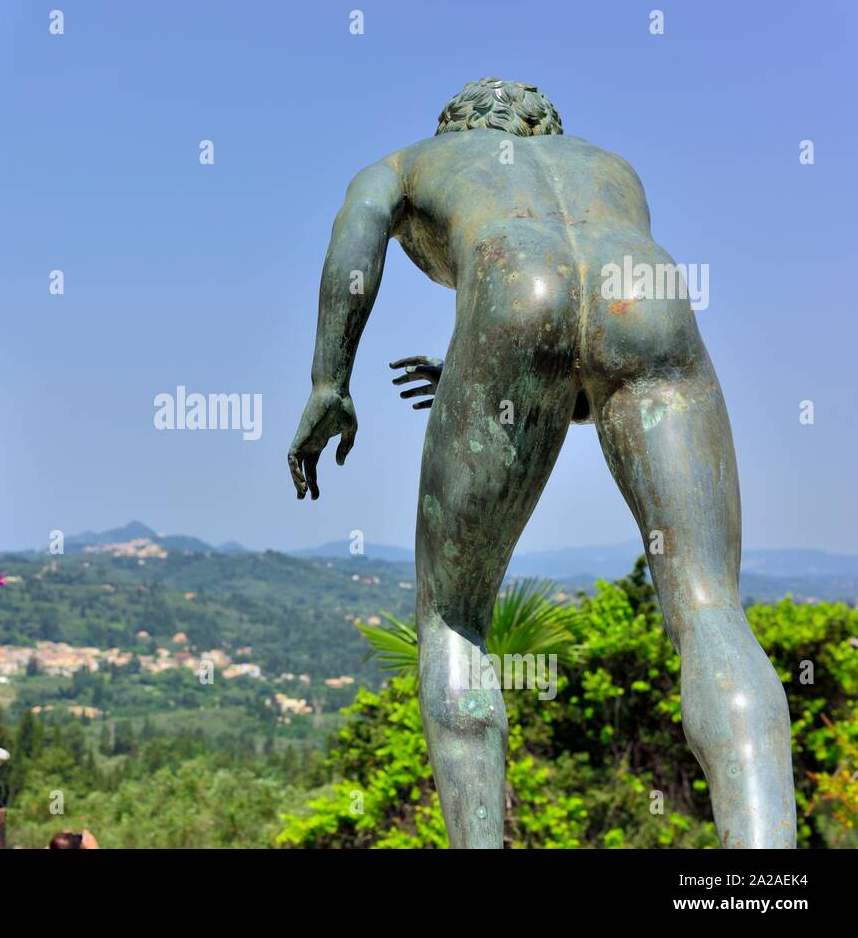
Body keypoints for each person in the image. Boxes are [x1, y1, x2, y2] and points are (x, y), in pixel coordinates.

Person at [287, 78, 795, 848]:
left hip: (511, 288)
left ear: (458, 126)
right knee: (712, 612)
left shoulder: (406, 162)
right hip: (648, 294)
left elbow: (356, 237)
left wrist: (331, 379)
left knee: (454, 622)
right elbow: (600, 360)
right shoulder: (612, 169)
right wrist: (514, 389)